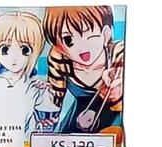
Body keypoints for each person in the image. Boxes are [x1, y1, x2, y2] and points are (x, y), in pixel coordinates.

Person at [43, 5, 124, 133]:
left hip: (116, 119)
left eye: (88, 34)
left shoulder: (118, 53)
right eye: (68, 39)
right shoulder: (60, 60)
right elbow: (54, 99)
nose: (81, 47)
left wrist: (117, 88)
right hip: (78, 121)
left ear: (105, 34)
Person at [0, 12, 59, 132]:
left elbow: (48, 114)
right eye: (5, 49)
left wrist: (46, 93)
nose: (14, 57)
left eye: (25, 49)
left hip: (22, 140)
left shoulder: (33, 86)